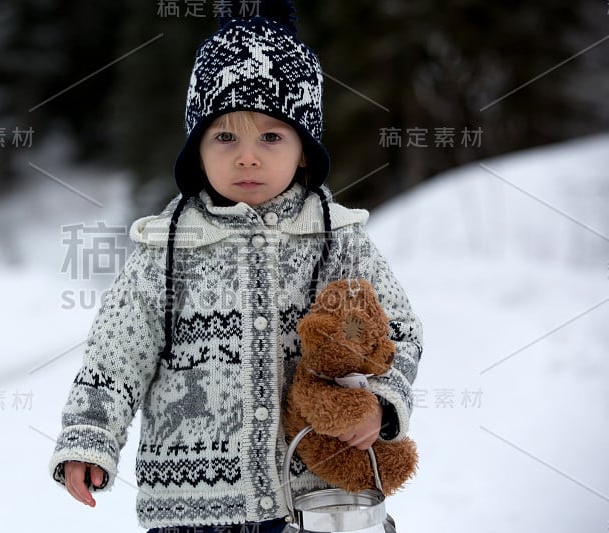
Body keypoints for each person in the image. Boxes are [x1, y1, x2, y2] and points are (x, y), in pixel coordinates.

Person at [49, 3, 422, 532]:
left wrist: (381, 405)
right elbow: (117, 352)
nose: (247, 157)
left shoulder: (336, 239)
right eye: (225, 137)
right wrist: (89, 436)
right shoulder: (168, 246)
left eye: (271, 137)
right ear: (197, 151)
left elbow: (400, 331)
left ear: (304, 153)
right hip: (190, 504)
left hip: (315, 498)